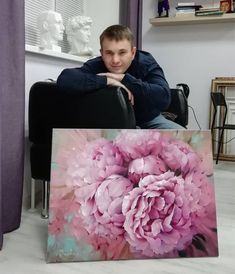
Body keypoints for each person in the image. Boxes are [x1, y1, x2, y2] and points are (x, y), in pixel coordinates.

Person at [57, 24, 183, 129]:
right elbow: (65, 79)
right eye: (109, 53)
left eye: (122, 52)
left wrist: (124, 79)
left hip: (148, 120)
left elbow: (164, 97)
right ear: (101, 53)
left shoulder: (146, 62)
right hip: (111, 124)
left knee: (189, 144)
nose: (115, 60)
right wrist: (107, 80)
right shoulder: (97, 64)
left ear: (133, 53)